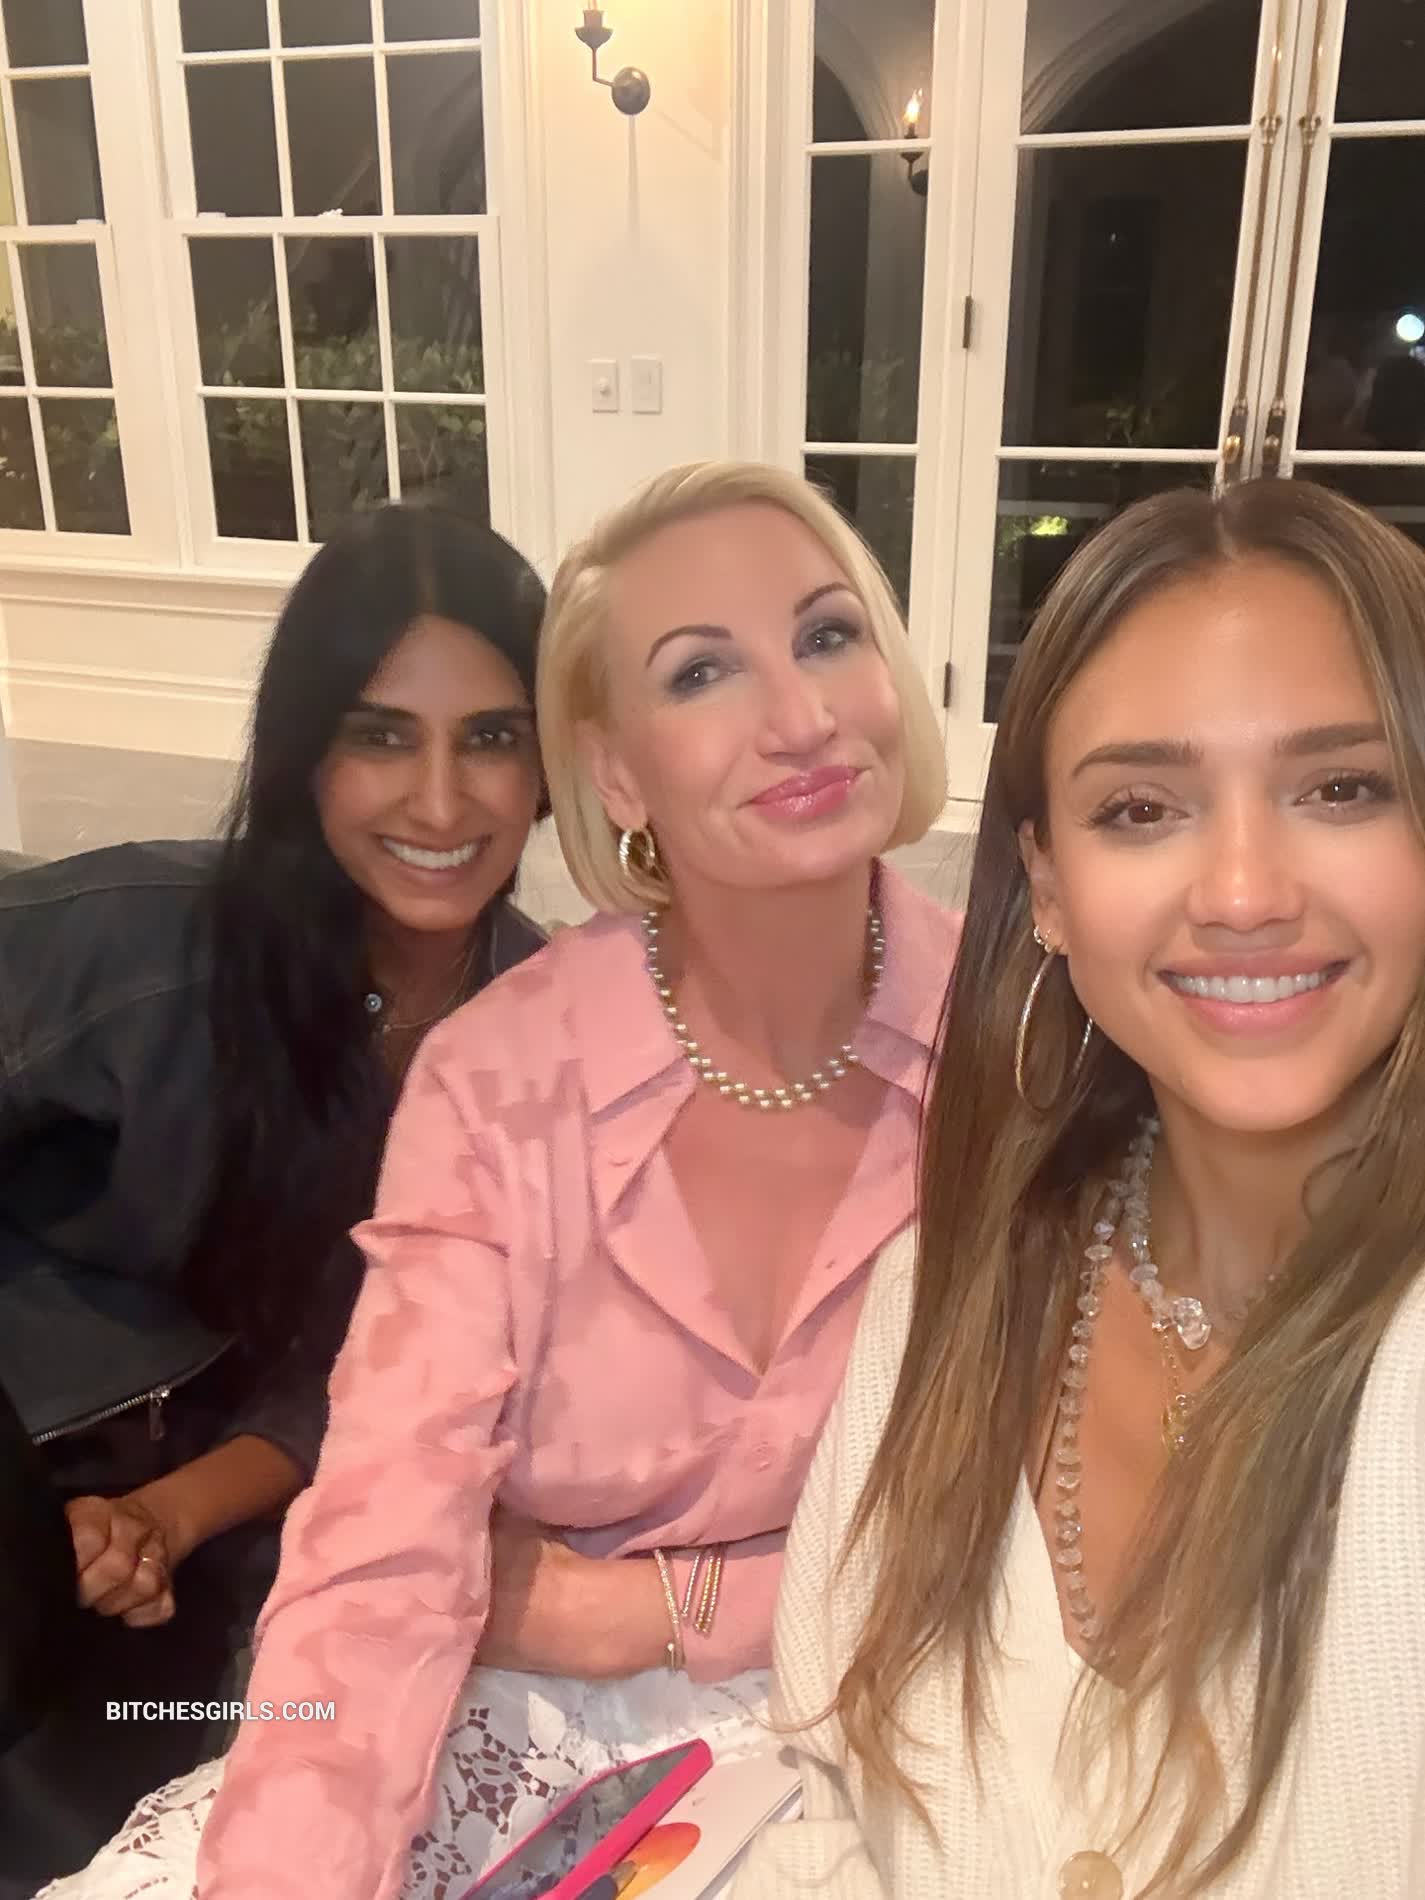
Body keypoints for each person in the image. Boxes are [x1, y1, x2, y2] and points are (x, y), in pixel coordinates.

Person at [47, 459, 960, 1900]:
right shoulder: (483, 1065)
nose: (798, 716)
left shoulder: (1027, 1048)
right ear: (613, 771)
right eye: (702, 669)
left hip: (893, 1704)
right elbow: (385, 1532)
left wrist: (654, 1613)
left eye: (828, 634)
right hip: (402, 1659)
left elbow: (1056, 1515)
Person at [736, 476, 1425, 1900]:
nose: (1243, 891)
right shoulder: (939, 1292)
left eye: (1340, 788)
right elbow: (823, 1793)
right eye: (1141, 808)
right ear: (1045, 889)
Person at [0, 502, 549, 1895]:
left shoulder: (545, 1043)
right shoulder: (139, 946)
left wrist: (165, 1517)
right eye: (382, 736)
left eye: (492, 736)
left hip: (225, 1536)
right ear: (308, 754)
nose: (441, 803)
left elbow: (378, 1382)